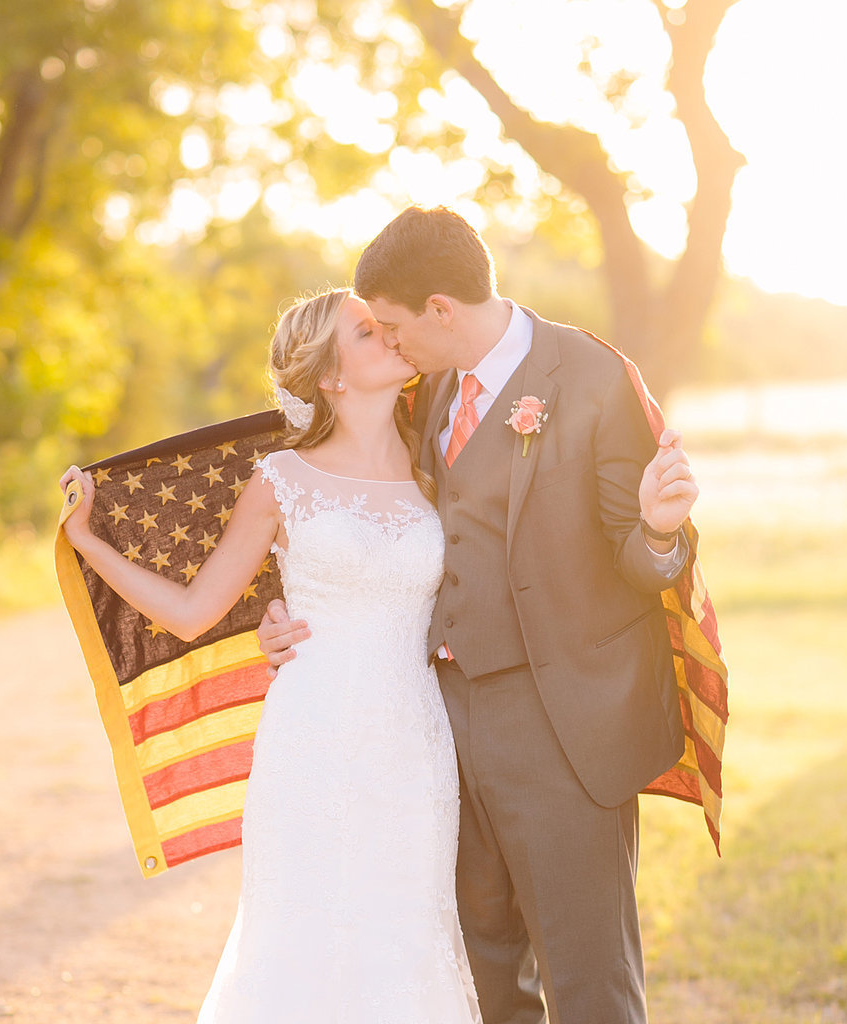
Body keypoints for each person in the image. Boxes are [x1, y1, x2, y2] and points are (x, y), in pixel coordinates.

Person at [259, 206, 699, 1024]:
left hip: (564, 732)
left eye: (392, 328)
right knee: (481, 983)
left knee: (589, 983)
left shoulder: (592, 377)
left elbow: (645, 564)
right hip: (439, 735)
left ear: (440, 310)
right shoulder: (424, 396)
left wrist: (661, 529)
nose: (388, 346)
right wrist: (280, 602)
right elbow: (329, 486)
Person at [59, 288, 482, 1024]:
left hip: (416, 745)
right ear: (330, 376)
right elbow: (194, 615)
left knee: (409, 931)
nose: (389, 334)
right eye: (365, 330)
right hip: (313, 738)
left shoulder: (435, 469)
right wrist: (89, 542)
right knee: (303, 934)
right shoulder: (281, 479)